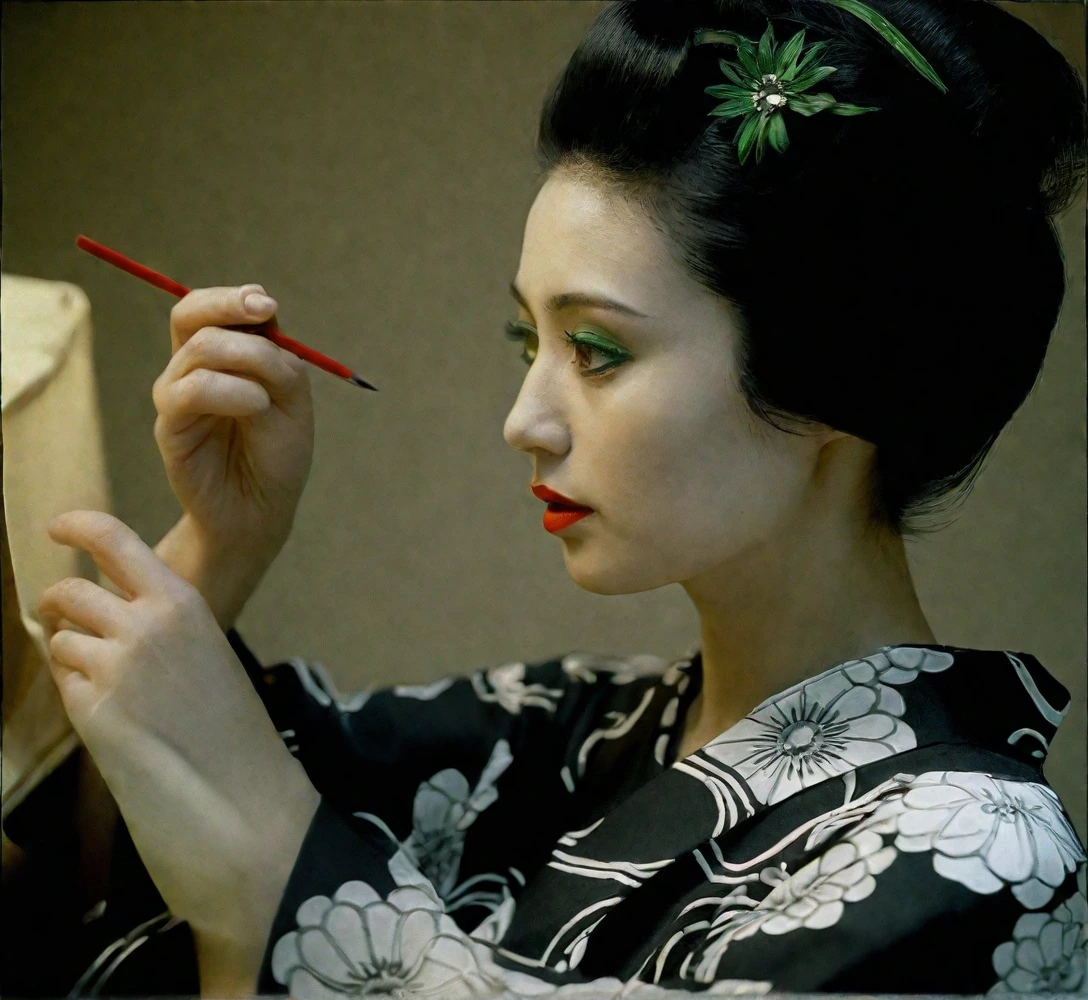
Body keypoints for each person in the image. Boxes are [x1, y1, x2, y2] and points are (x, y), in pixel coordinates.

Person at [28, 0, 1086, 996]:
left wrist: (269, 849)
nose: (522, 417)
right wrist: (225, 544)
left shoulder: (980, 850)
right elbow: (110, 847)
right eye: (526, 341)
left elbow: (253, 818)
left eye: (595, 348)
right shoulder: (574, 724)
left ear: (833, 375)